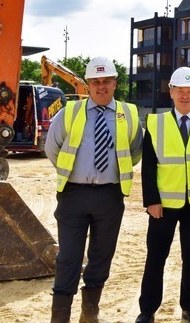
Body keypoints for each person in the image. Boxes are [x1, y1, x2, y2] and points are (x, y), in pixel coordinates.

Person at [45, 56, 144, 323]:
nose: (101, 87)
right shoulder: (69, 112)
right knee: (68, 258)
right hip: (73, 195)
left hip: (110, 196)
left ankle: (90, 312)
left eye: (106, 81)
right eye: (95, 82)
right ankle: (60, 317)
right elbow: (52, 149)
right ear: (87, 85)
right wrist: (75, 173)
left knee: (101, 256)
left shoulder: (130, 114)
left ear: (115, 83)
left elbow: (135, 152)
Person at [135, 67, 190, 323]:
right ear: (171, 92)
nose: (185, 96)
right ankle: (147, 309)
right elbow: (148, 166)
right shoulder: (155, 123)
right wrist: (151, 200)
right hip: (163, 205)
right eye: (180, 91)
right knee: (156, 259)